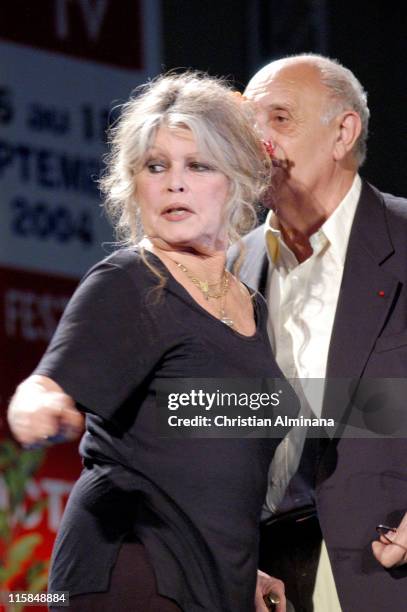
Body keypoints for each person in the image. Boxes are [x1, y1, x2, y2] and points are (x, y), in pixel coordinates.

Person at [7, 73, 287, 611]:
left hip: (208, 582)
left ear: (234, 181)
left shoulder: (248, 304)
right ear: (134, 183)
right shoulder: (130, 280)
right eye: (156, 166)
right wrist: (37, 410)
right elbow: (45, 385)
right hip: (130, 571)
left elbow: (213, 463)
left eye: (198, 165)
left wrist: (240, 567)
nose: (174, 183)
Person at [229, 53, 407, 611]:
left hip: (382, 568)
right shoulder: (228, 267)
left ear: (343, 133)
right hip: (258, 577)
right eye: (247, 124)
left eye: (279, 119)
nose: (258, 140)